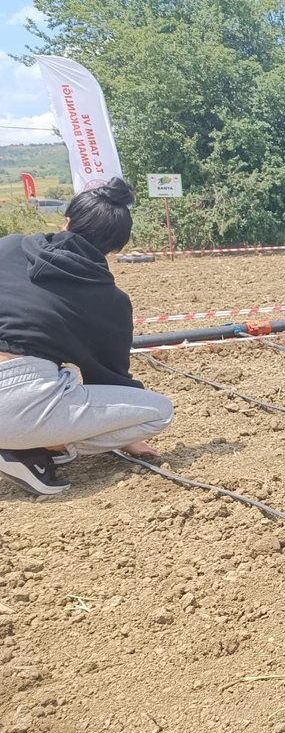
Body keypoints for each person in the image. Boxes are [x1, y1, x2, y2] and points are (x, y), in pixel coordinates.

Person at [0, 178, 173, 496]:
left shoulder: (8, 247)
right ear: (115, 248)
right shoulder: (109, 299)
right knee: (160, 411)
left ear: (66, 221)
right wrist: (123, 435)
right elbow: (110, 380)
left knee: (61, 374)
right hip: (12, 396)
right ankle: (29, 448)